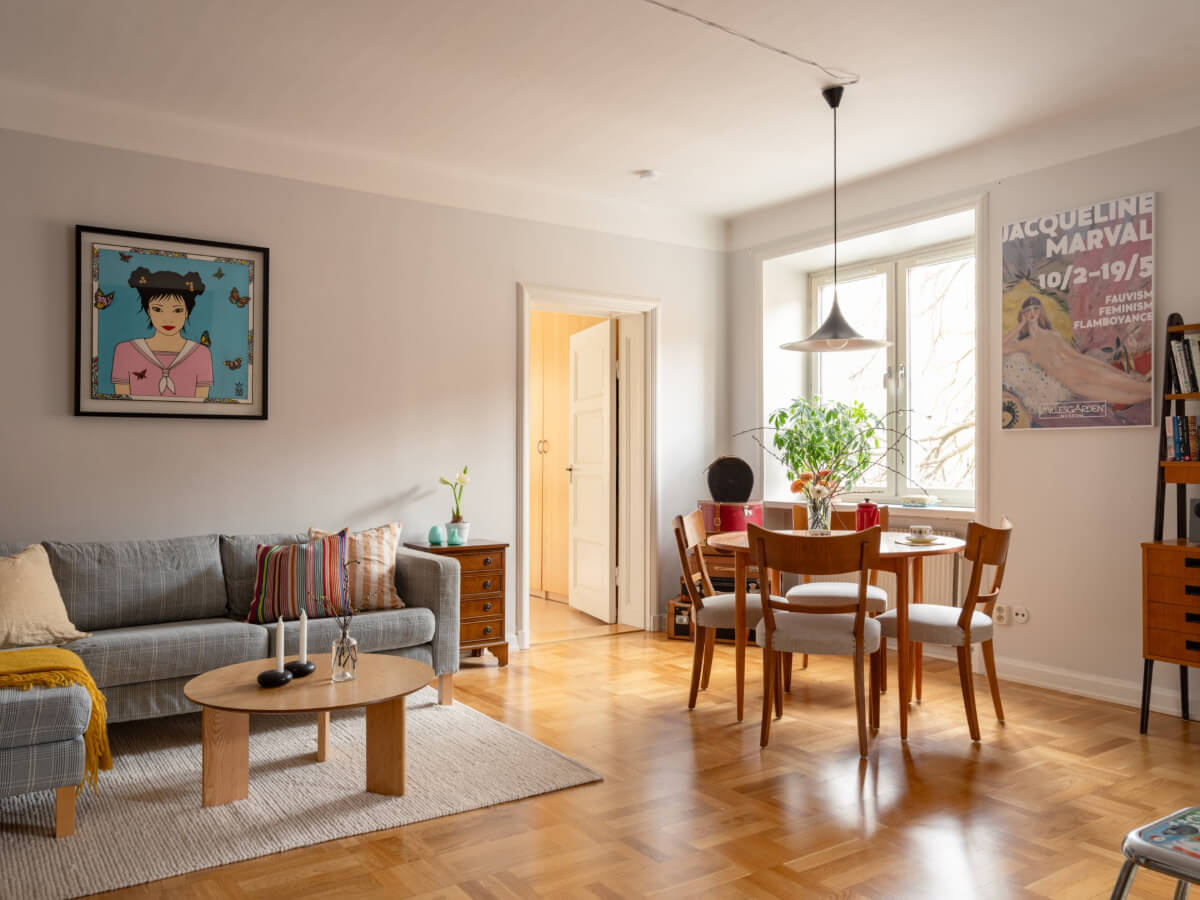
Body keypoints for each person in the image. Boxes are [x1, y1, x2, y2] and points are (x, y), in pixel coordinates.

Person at [1002, 296, 1151, 407]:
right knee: (1126, 397)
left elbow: (1077, 356)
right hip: (1073, 384)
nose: (1032, 313)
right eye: (1027, 310)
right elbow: (1000, 349)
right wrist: (1020, 325)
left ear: (1041, 311)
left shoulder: (1053, 335)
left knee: (1136, 387)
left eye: (1035, 308)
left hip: (1082, 369)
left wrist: (1118, 372)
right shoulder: (1026, 344)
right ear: (1023, 314)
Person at [111, 268, 213, 399]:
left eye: (177, 310)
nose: (168, 319)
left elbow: (201, 407)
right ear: (148, 311)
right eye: (158, 309)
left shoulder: (201, 354)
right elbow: (120, 404)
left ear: (187, 312)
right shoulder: (125, 351)